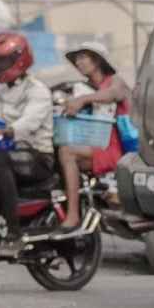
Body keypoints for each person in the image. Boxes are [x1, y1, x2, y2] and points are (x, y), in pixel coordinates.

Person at [0, 31, 54, 239]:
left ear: (19, 61)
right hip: (11, 150)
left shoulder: (37, 90)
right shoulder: (1, 88)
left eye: (2, 60)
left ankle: (13, 228)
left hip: (38, 156)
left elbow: (28, 123)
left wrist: (4, 131)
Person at [58, 42, 131, 230]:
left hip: (118, 148)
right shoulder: (86, 88)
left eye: (83, 57)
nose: (78, 62)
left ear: (97, 60)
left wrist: (81, 100)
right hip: (97, 145)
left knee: (67, 152)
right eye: (77, 59)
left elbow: (112, 94)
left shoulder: (115, 81)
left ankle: (73, 215)